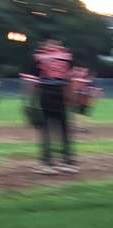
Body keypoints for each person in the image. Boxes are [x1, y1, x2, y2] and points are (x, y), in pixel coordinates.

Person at [33, 40, 76, 175]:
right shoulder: (66, 56)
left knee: (46, 128)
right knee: (64, 128)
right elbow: (70, 80)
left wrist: (32, 101)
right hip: (61, 91)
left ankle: (47, 164)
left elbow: (34, 82)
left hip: (46, 91)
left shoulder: (40, 56)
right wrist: (70, 98)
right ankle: (67, 163)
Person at [71, 67, 103, 133]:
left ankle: (82, 127)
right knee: (78, 113)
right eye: (83, 71)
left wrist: (93, 98)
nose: (83, 73)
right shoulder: (81, 80)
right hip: (80, 100)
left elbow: (97, 92)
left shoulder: (91, 82)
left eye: (85, 72)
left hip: (86, 101)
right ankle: (78, 127)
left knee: (83, 114)